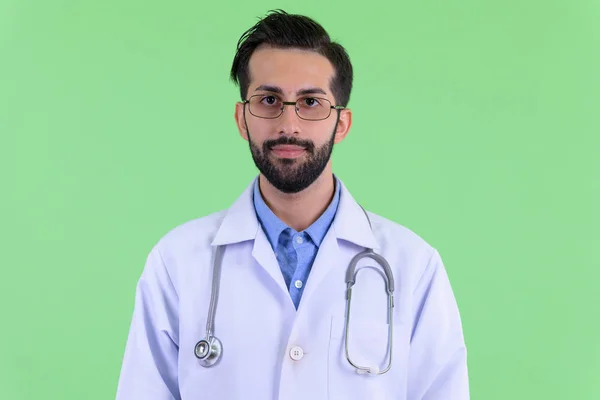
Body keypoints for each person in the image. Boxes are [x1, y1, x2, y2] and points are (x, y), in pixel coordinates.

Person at [116, 9, 469, 400]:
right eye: (269, 100)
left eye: (311, 102)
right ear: (241, 118)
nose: (289, 124)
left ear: (342, 123)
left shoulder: (413, 266)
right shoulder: (177, 261)